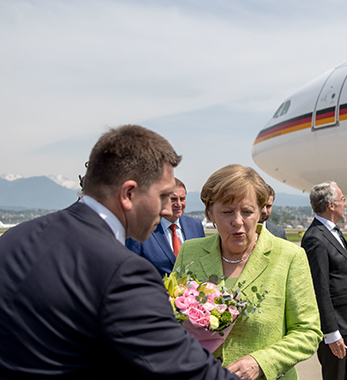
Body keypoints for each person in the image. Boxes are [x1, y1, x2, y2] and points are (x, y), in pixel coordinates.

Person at [0, 125, 239, 379]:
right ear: (128, 194)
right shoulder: (122, 272)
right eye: (162, 196)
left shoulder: (16, 237)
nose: (166, 210)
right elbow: (190, 371)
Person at [173, 164, 322, 380]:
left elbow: (308, 332)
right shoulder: (190, 252)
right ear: (210, 213)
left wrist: (261, 362)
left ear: (261, 212)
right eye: (227, 212)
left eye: (247, 211)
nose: (237, 221)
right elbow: (171, 318)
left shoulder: (289, 257)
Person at [302, 182, 347, 380]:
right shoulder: (315, 238)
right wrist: (330, 332)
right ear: (331, 205)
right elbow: (319, 288)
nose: (345, 204)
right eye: (342, 200)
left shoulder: (334, 232)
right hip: (338, 330)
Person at [126, 177, 205, 277]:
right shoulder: (141, 229)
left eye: (182, 199)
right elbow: (131, 270)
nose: (179, 204)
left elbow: (203, 263)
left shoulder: (196, 226)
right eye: (173, 199)